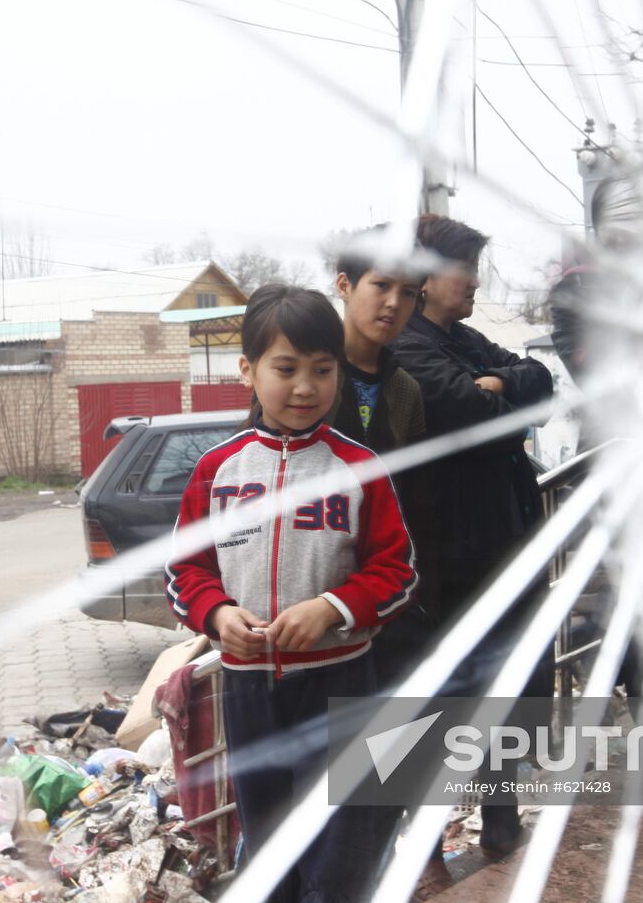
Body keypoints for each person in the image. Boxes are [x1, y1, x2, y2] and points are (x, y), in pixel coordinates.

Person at [165, 283, 416, 902]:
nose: (305, 387)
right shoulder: (218, 471)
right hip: (249, 692)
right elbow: (184, 571)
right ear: (247, 370)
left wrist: (330, 608)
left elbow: (398, 569)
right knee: (270, 844)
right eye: (286, 369)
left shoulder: (359, 468)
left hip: (340, 688)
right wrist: (217, 613)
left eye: (322, 370)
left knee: (338, 849)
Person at [389, 214, 555, 856]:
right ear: (427, 279)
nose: (475, 285)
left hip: (499, 542)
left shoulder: (468, 340)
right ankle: (423, 834)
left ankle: (501, 815)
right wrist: (497, 396)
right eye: (465, 272)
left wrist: (502, 384)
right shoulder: (408, 346)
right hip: (447, 553)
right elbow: (470, 410)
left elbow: (541, 380)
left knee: (503, 687)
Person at [325, 227, 436, 689]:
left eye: (408, 293)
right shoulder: (307, 378)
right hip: (312, 599)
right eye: (381, 285)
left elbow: (411, 494)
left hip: (385, 595)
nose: (394, 303)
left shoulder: (405, 388)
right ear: (345, 285)